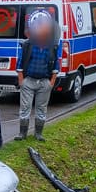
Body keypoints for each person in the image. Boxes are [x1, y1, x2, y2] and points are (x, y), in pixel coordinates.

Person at [16, 10, 60, 142]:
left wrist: (51, 82)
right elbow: (20, 64)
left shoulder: (52, 46)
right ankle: (22, 133)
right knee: (25, 108)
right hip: (28, 81)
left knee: (41, 108)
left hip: (44, 82)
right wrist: (21, 81)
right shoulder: (28, 44)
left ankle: (38, 134)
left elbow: (56, 66)